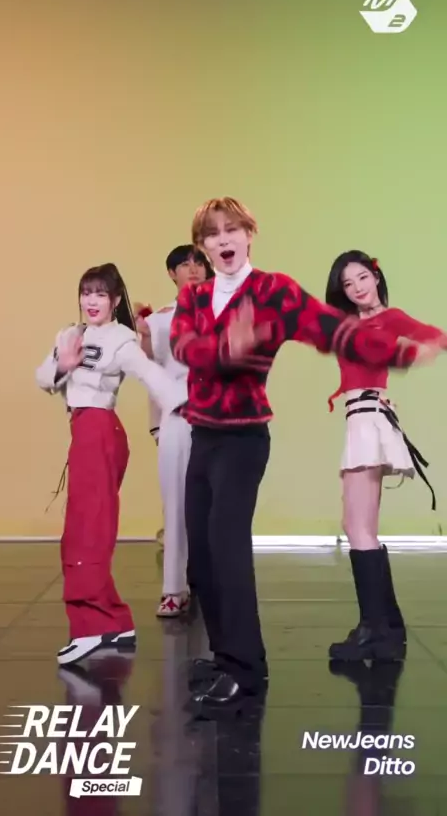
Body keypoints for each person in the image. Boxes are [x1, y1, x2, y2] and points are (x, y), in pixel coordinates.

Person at [169, 197, 442, 710]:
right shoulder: (194, 296)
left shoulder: (273, 291)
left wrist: (403, 352)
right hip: (203, 434)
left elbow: (333, 330)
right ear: (202, 246)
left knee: (227, 549)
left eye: (232, 229)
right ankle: (225, 656)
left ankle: (246, 671)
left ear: (249, 234)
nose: (224, 240)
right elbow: (185, 348)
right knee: (201, 558)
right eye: (213, 234)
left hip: (244, 438)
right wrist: (228, 347)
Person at [35, 262, 187, 666]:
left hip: (100, 431)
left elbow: (151, 374)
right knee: (84, 529)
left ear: (115, 299)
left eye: (101, 294)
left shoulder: (121, 338)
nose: (92, 301)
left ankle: (91, 627)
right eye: (86, 292)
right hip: (83, 431)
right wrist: (64, 364)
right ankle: (114, 621)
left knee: (88, 531)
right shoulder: (70, 334)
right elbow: (43, 377)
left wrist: (187, 405)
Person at [324, 250, 447, 662]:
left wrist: (418, 354)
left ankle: (374, 630)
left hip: (368, 420)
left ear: (376, 277)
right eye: (348, 283)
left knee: (359, 528)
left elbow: (436, 337)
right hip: (360, 417)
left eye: (363, 277)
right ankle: (387, 626)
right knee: (359, 526)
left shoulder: (389, 318)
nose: (357, 288)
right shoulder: (347, 324)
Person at [135, 246, 214, 618]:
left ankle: (214, 584)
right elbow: (149, 370)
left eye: (199, 263)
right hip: (178, 415)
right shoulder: (158, 320)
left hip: (218, 414)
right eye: (184, 264)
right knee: (176, 502)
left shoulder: (224, 310)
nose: (193, 269)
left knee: (217, 505)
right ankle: (173, 589)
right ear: (172, 273)